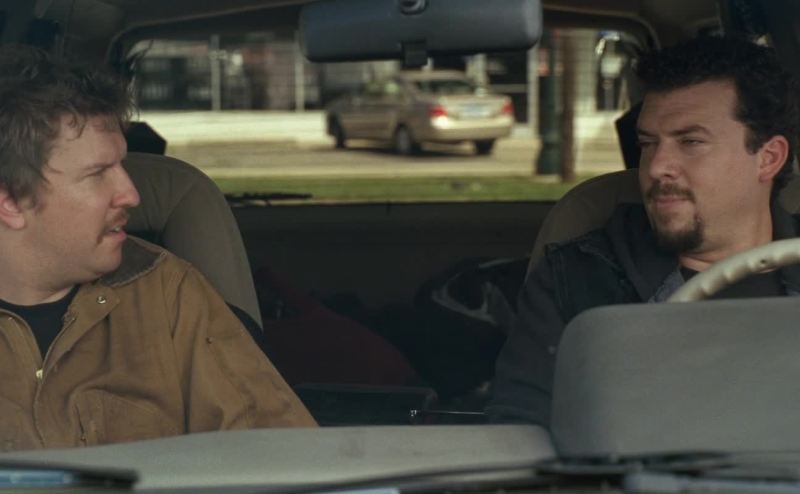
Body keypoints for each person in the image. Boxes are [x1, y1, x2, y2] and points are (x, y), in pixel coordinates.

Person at [0, 46, 316, 451]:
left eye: (122, 165)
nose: (131, 194)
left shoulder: (167, 291)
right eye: (98, 173)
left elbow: (281, 453)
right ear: (11, 201)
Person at [487, 36, 800, 427]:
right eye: (649, 144)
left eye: (691, 141)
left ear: (768, 158)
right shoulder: (579, 281)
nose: (656, 167)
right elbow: (521, 430)